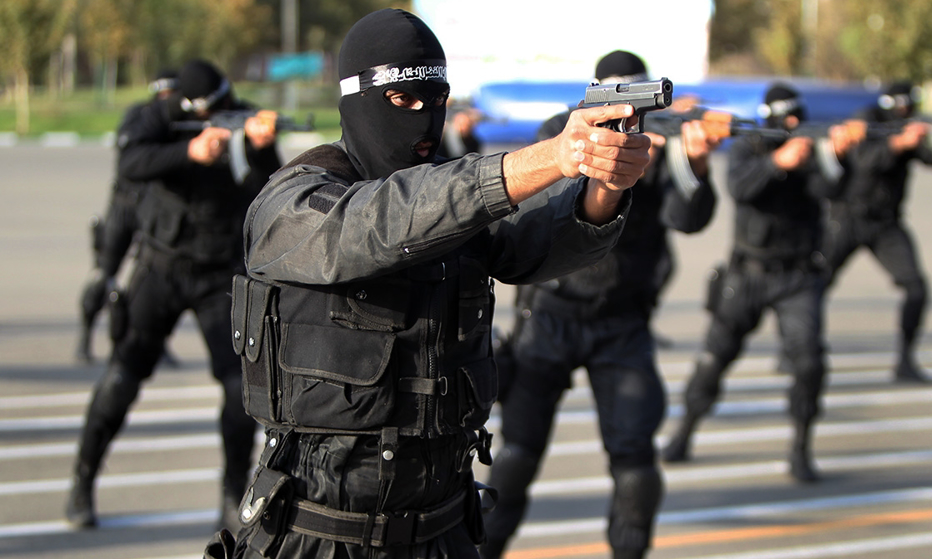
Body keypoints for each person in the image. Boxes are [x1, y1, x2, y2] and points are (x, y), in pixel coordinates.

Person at [203, 9, 653, 559]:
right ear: (359, 97)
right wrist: (553, 156)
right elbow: (379, 223)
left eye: (437, 100)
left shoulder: (450, 196)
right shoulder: (292, 201)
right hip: (321, 534)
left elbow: (534, 241)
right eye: (404, 100)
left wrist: (605, 184)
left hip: (444, 528)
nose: (425, 119)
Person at [480, 50, 719, 559]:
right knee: (517, 455)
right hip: (550, 314)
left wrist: (693, 161)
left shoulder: (661, 143)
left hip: (622, 319)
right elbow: (539, 198)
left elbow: (688, 219)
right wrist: (602, 147)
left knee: (635, 464)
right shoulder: (563, 128)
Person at [66, 59, 281, 531]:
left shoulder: (244, 117)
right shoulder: (155, 118)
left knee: (239, 389)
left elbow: (271, 188)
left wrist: (262, 148)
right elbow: (130, 164)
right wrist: (190, 151)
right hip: (160, 267)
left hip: (219, 274)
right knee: (122, 377)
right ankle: (83, 479)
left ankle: (231, 494)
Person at [661, 83, 862, 483]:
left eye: (796, 114)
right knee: (714, 358)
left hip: (797, 275)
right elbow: (740, 189)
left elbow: (834, 190)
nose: (792, 121)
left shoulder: (811, 147)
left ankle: (801, 448)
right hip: (748, 273)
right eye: (784, 115)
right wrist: (777, 163)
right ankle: (684, 431)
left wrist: (837, 155)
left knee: (809, 363)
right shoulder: (748, 145)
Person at [823, 81, 932, 383]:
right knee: (813, 284)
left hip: (886, 223)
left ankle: (906, 359)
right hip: (847, 217)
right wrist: (899, 143)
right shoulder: (867, 120)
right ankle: (797, 349)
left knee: (916, 287)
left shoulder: (908, 126)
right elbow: (865, 160)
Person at [75, 69, 181, 365]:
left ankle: (155, 344)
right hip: (123, 206)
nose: (167, 100)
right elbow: (128, 154)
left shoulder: (181, 122)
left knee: (152, 279)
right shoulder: (140, 116)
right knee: (104, 273)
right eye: (163, 94)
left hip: (153, 209)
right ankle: (85, 336)